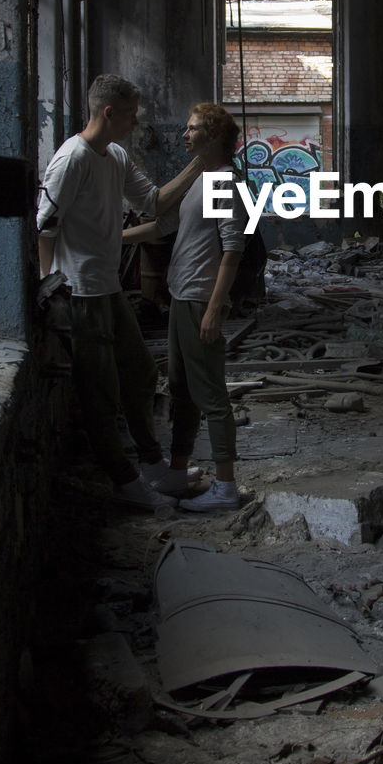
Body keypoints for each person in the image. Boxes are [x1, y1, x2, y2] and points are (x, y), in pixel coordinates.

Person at [37, 74, 202, 510]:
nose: (135, 121)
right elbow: (45, 225)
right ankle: (125, 482)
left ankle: (152, 466)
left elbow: (154, 201)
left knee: (142, 373)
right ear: (109, 113)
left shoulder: (115, 156)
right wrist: (47, 285)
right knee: (100, 393)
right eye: (131, 114)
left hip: (106, 286)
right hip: (79, 291)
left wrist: (197, 165)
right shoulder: (71, 160)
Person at [123, 102, 248, 511]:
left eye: (192, 129)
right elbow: (164, 226)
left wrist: (214, 309)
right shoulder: (203, 178)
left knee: (210, 395)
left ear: (212, 136)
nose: (184, 135)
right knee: (181, 390)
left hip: (199, 299)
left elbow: (232, 250)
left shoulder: (225, 182)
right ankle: (178, 471)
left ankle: (226, 488)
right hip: (182, 294)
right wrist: (111, 238)